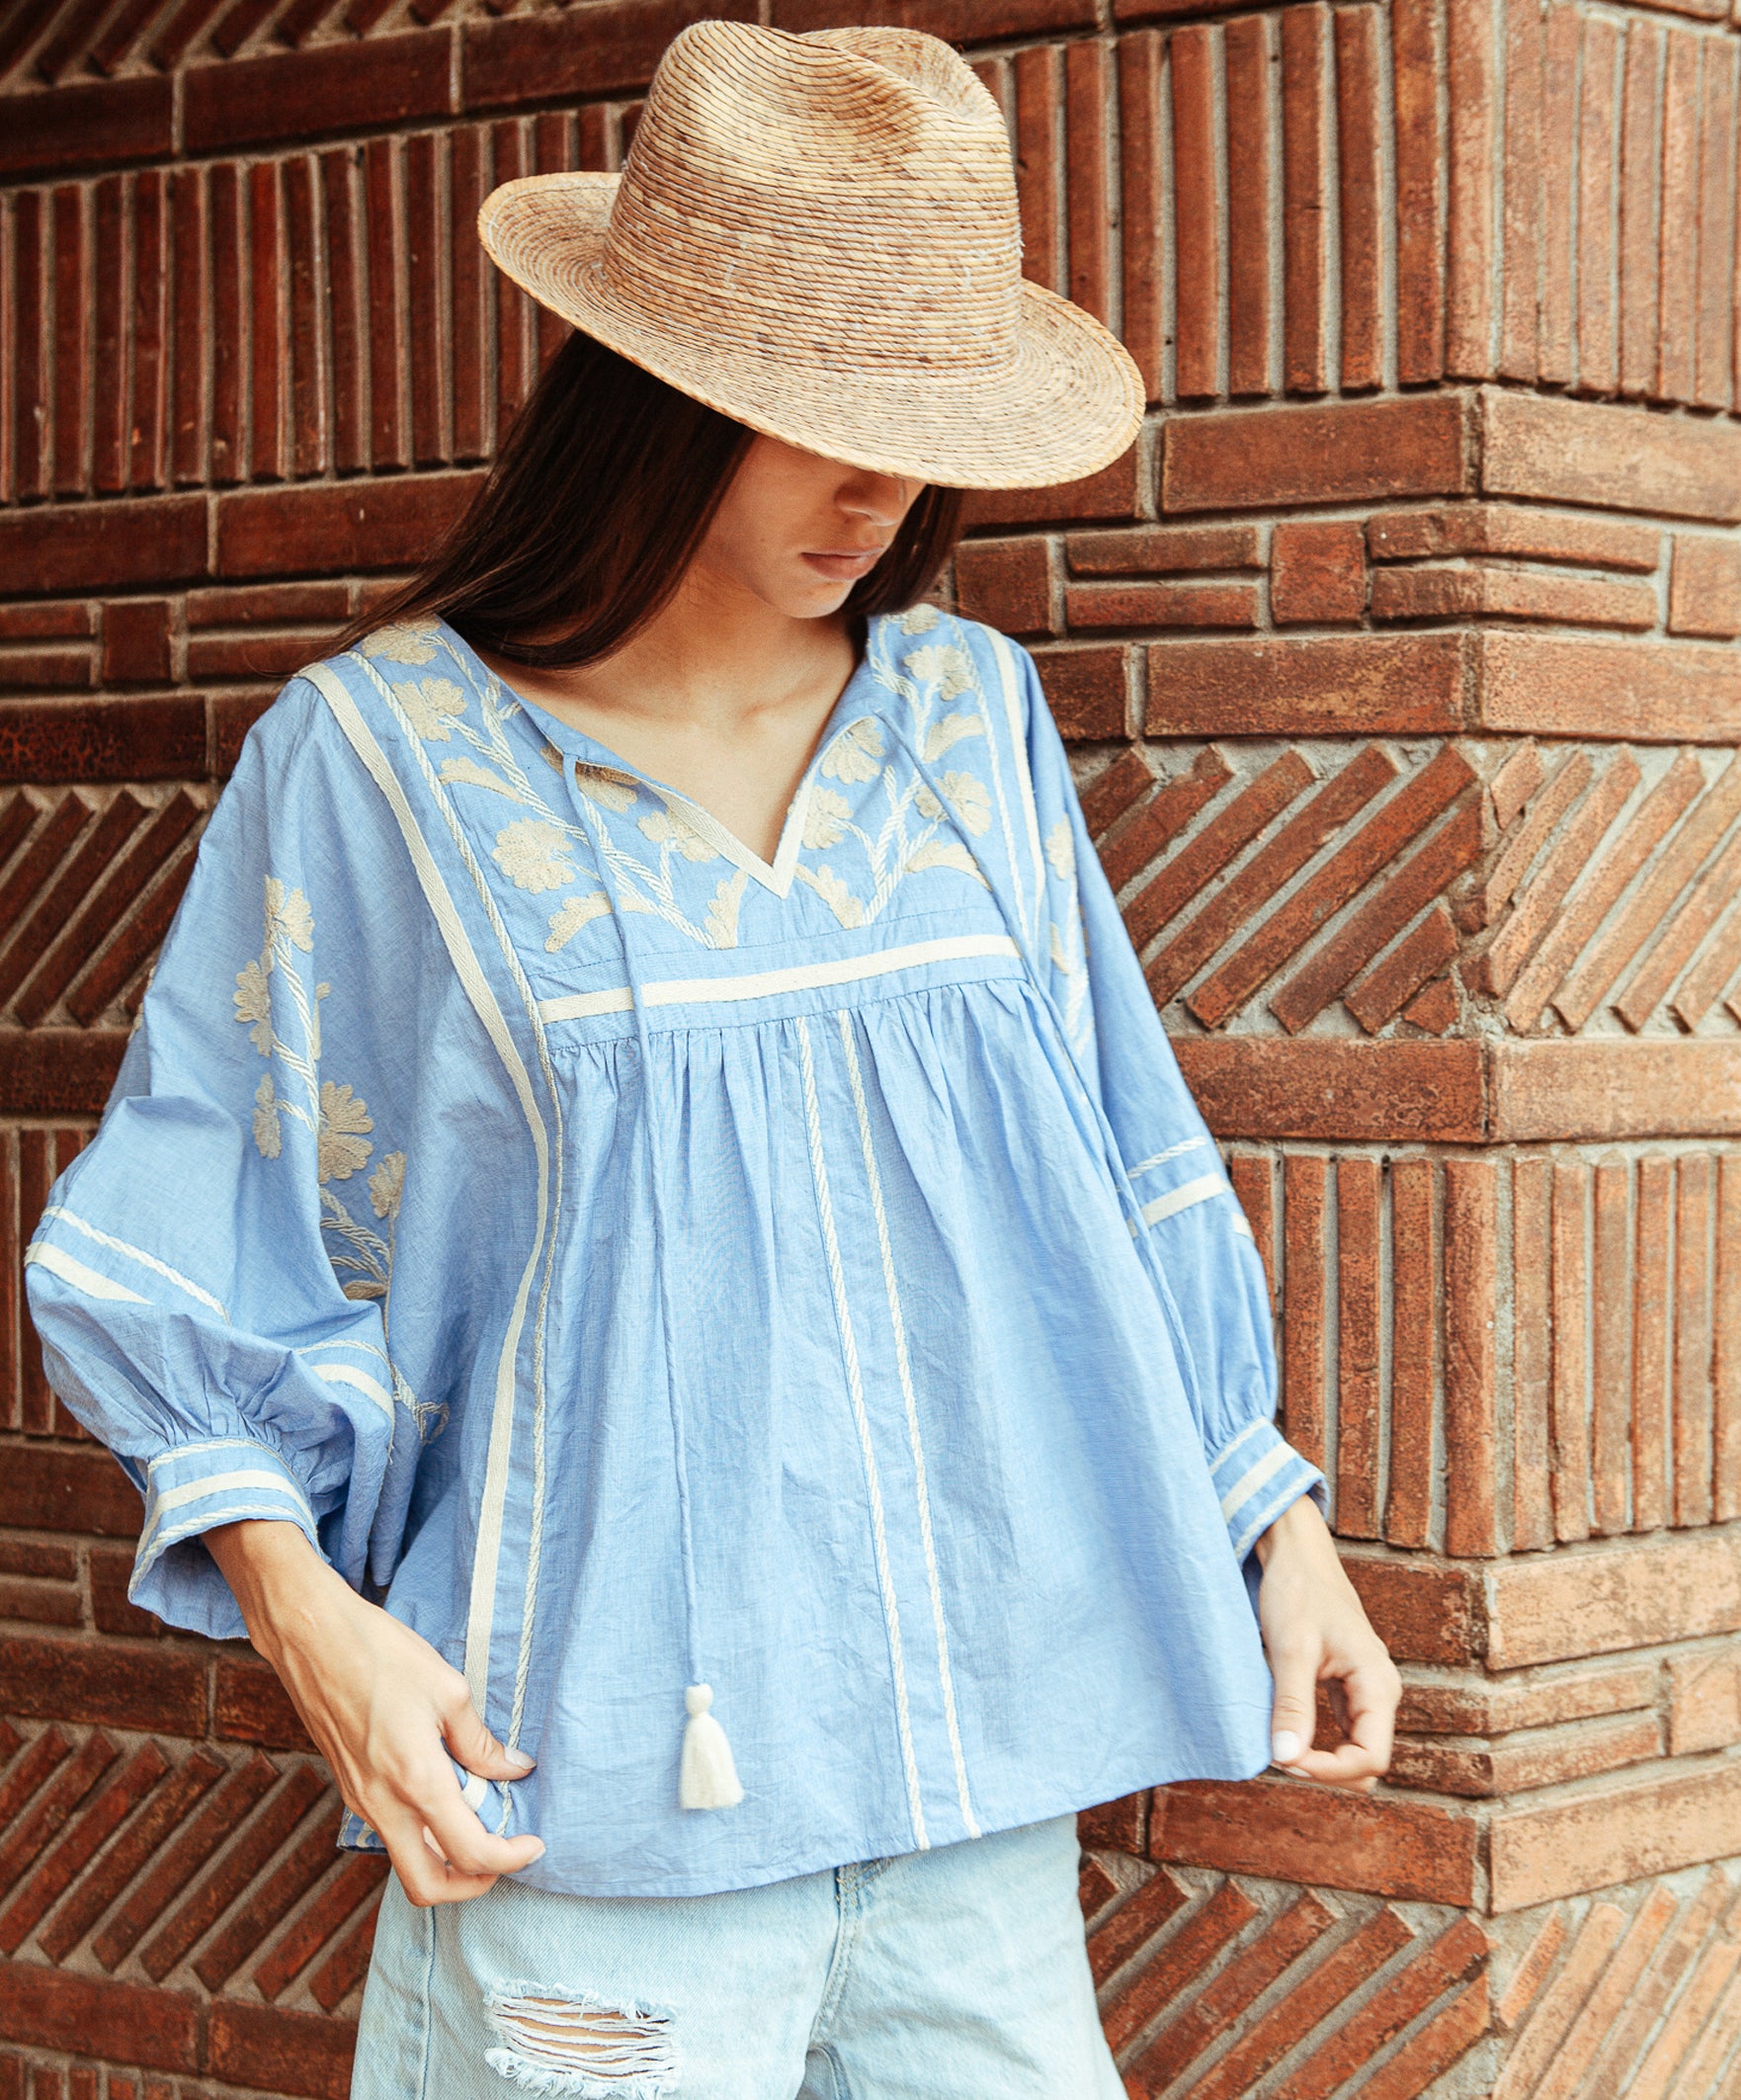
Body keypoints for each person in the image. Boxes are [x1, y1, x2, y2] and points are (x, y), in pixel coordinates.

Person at [26, 21, 1398, 2099]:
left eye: (915, 424)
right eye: (812, 417)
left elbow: (1121, 1163)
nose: (881, 486)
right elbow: (200, 1229)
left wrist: (1274, 1530)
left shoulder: (967, 726)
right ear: (653, 393)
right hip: (590, 1818)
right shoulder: (378, 764)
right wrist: (317, 1634)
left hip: (975, 1809)